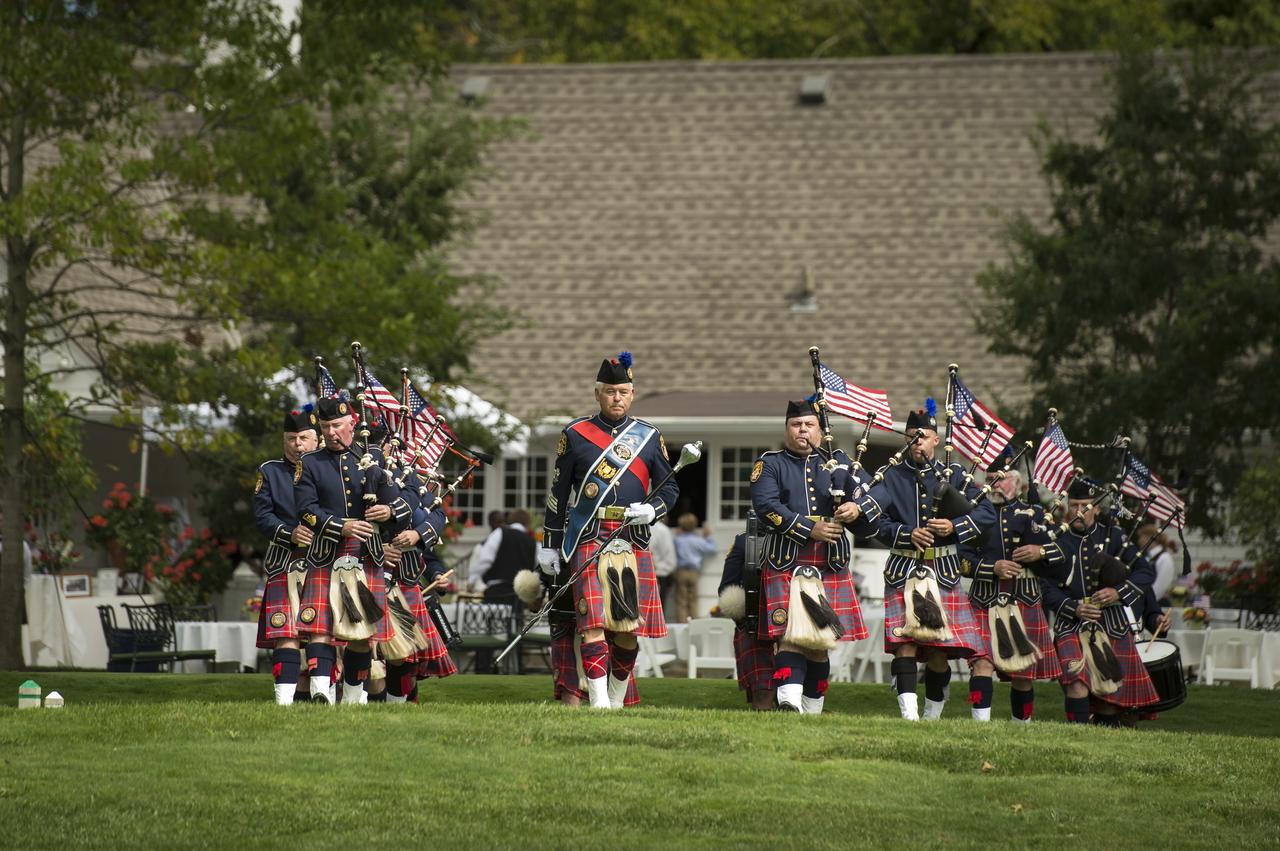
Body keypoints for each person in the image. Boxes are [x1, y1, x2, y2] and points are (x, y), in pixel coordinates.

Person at [538, 351, 677, 709]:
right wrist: (550, 545)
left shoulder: (648, 437)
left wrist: (652, 509)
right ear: (597, 393)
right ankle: (599, 702)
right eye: (610, 391)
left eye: (624, 392)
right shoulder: (575, 434)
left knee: (628, 629)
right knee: (592, 622)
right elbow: (558, 495)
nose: (617, 398)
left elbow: (671, 489)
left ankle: (615, 698)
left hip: (632, 538)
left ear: (632, 395)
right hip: (588, 534)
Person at [854, 401, 993, 721]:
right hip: (904, 569)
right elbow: (878, 523)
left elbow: (985, 513)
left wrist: (953, 527)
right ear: (905, 440)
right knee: (904, 642)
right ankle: (909, 716)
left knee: (939, 651)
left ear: (936, 440)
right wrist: (906, 533)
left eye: (924, 435)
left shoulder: (955, 474)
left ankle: (931, 715)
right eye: (912, 436)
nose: (917, 441)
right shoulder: (890, 477)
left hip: (943, 571)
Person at [750, 399, 867, 714]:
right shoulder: (771, 463)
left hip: (830, 562)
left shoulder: (840, 461)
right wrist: (807, 529)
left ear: (819, 429)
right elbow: (766, 506)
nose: (802, 430)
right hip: (786, 560)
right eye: (795, 425)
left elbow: (873, 496)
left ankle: (812, 709)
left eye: (808, 424)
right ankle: (789, 703)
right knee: (789, 634)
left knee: (820, 641)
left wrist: (856, 507)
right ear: (787, 429)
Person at [294, 394, 398, 704]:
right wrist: (342, 525)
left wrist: (389, 512)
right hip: (328, 550)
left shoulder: (373, 456)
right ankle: (320, 693)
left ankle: (354, 697)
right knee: (320, 627)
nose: (330, 433)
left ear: (352, 423)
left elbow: (396, 500)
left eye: (337, 425)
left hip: (366, 552)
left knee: (361, 631)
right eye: (325, 427)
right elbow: (306, 509)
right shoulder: (310, 463)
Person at [1038, 477, 1159, 725]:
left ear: (1097, 509)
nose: (1078, 511)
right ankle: (1076, 735)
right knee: (1076, 682)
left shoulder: (1113, 536)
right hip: (1070, 624)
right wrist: (1073, 608)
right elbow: (1043, 584)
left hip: (1110, 623)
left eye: (1085, 505)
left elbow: (1145, 572)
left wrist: (1118, 592)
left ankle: (1104, 741)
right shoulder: (1055, 538)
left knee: (1109, 697)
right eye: (1074, 505)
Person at [964, 460, 1061, 722]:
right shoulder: (974, 514)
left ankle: (1023, 725)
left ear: (1017, 484)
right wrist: (991, 568)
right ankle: (979, 724)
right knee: (981, 664)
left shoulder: (1034, 513)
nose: (994, 483)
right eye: (991, 477)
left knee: (1023, 673)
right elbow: (962, 559)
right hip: (985, 597)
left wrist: (1039, 551)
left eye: (1001, 477)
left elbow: (1062, 552)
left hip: (1024, 597)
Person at [253, 405, 320, 705]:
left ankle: (324, 695)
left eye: (304, 437)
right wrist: (289, 533)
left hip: (324, 559)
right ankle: (284, 702)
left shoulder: (329, 468)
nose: (297, 444)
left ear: (316, 439)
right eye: (291, 438)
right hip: (285, 559)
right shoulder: (269, 471)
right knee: (286, 629)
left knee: (322, 630)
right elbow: (263, 516)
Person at [716, 532, 775, 710]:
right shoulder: (744, 541)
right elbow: (727, 587)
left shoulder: (804, 535)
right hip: (755, 626)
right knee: (762, 697)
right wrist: (745, 621)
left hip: (796, 626)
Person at [470, 509, 536, 603]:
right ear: (527, 524)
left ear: (510, 521)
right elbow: (535, 570)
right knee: (515, 617)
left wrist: (471, 581)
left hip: (496, 592)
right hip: (519, 595)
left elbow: (485, 560)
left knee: (494, 617)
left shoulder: (500, 533)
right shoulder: (533, 542)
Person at [673, 513, 717, 622]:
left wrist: (677, 535)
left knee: (681, 601)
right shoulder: (698, 541)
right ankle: (694, 623)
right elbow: (712, 549)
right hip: (693, 572)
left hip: (681, 572)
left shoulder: (678, 540)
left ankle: (682, 625)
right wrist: (708, 537)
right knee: (693, 600)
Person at [1135, 520, 1176, 604]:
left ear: (1150, 537)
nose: (1139, 541)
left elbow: (1161, 586)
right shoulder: (1147, 557)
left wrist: (1146, 602)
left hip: (1157, 604)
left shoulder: (1164, 558)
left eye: (1141, 537)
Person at [648, 518, 677, 618]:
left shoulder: (662, 530)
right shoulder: (631, 526)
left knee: (655, 616)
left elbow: (670, 561)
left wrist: (655, 568)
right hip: (633, 576)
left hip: (657, 577)